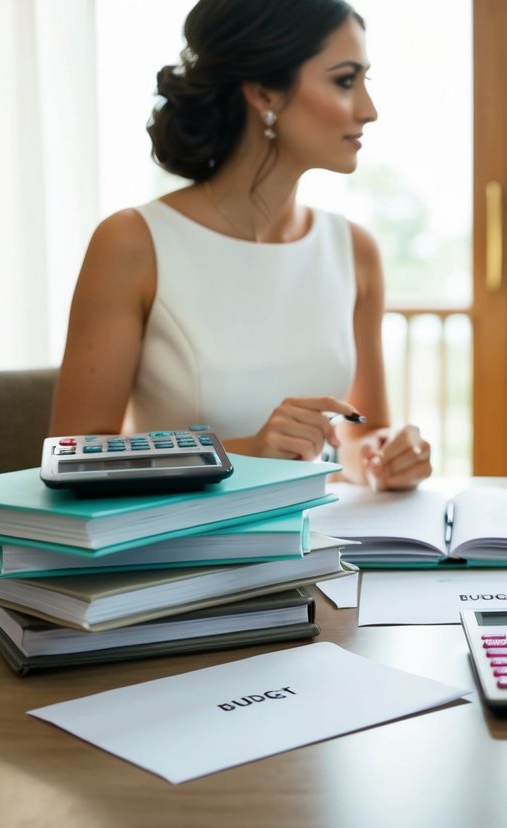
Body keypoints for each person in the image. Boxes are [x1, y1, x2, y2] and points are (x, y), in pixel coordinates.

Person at [50, 0, 431, 491]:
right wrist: (248, 452)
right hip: (178, 554)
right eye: (344, 80)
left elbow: (362, 431)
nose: (369, 110)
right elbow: (74, 456)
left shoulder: (355, 250)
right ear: (264, 92)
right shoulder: (132, 242)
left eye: (365, 81)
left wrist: (383, 455)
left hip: (312, 549)